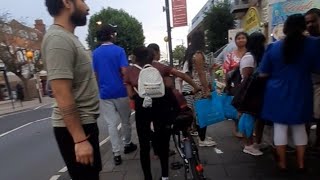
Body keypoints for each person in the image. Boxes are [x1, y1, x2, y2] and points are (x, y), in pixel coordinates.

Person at [42, 0, 101, 179]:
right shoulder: (58, 40)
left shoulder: (67, 37)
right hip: (77, 130)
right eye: (83, 1)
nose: (88, 7)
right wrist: (80, 139)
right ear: (67, 2)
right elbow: (62, 93)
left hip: (85, 124)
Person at [124, 46, 200, 180]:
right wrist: (196, 86)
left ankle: (148, 177)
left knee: (144, 145)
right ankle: (165, 176)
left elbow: (130, 94)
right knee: (164, 142)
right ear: (150, 56)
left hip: (143, 108)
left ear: (134, 57)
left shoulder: (129, 71)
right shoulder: (159, 66)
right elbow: (180, 75)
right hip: (162, 107)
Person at [259, 14, 320, 171]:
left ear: (285, 28)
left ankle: (282, 163)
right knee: (299, 126)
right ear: (303, 26)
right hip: (301, 89)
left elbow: (263, 73)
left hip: (277, 92)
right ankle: (301, 163)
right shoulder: (313, 44)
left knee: (280, 127)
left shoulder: (273, 47)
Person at [92, 24, 137, 165]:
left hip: (105, 93)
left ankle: (116, 153)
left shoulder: (95, 53)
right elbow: (124, 71)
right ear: (111, 35)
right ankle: (127, 144)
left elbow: (96, 74)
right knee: (125, 121)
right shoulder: (119, 51)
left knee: (111, 124)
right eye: (114, 33)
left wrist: (101, 88)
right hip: (120, 91)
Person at [185, 31, 217, 147]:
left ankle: (202, 136)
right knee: (202, 113)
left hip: (198, 86)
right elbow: (201, 73)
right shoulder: (198, 54)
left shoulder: (194, 53)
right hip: (200, 87)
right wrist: (206, 89)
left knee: (200, 112)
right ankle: (202, 139)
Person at [237, 32, 266, 156]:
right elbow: (246, 77)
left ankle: (255, 143)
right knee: (248, 117)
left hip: (256, 91)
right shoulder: (249, 57)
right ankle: (248, 145)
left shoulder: (256, 56)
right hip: (249, 92)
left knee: (257, 118)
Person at [223, 32, 249, 138]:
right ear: (235, 41)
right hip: (236, 84)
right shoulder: (231, 55)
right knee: (236, 107)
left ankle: (247, 129)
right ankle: (236, 129)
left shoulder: (250, 53)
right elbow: (226, 70)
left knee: (247, 108)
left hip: (248, 84)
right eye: (238, 38)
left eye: (243, 38)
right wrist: (227, 85)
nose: (241, 40)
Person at [305, 8, 320, 150]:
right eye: (307, 22)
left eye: (313, 21)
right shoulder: (305, 41)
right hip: (306, 85)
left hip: (318, 84)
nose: (310, 25)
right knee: (306, 117)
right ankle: (306, 145)